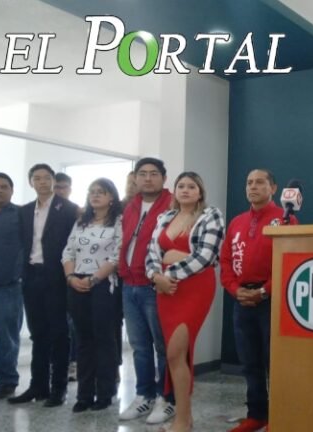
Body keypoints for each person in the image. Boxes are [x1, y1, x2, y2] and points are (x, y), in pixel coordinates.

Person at [146, 171, 225, 432]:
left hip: (195, 288)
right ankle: (184, 418)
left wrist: (169, 270)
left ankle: (181, 420)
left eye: (192, 186)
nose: (186, 190)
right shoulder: (164, 217)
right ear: (175, 190)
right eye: (181, 186)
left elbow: (206, 257)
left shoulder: (211, 215)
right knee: (176, 356)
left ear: (200, 192)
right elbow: (152, 253)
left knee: (174, 352)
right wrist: (156, 277)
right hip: (165, 291)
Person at [222, 169, 296, 432]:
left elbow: (289, 261)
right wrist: (235, 290)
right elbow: (226, 261)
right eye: (249, 182)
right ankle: (256, 415)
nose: (253, 187)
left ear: (273, 188)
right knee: (249, 362)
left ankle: (279, 416)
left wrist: (264, 291)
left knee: (275, 362)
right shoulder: (237, 222)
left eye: (260, 182)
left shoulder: (286, 220)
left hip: (271, 301)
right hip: (241, 301)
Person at [9, 164, 78, 407]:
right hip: (32, 276)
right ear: (31, 182)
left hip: (57, 277)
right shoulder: (25, 210)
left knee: (59, 333)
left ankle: (58, 388)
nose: (42, 182)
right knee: (38, 334)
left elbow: (73, 245)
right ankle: (38, 386)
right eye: (37, 178)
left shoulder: (69, 209)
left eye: (46, 177)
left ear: (53, 180)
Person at [118, 157, 175, 424]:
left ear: (164, 178)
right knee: (139, 346)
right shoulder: (131, 205)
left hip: (156, 285)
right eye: (142, 174)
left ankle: (167, 399)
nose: (148, 178)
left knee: (163, 347)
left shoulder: (173, 204)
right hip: (129, 285)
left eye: (154, 173)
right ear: (135, 178)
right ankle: (144, 396)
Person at [62, 178, 123, 412]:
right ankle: (84, 394)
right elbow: (68, 252)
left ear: (111, 197)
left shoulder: (118, 222)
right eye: (92, 192)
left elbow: (117, 256)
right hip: (76, 283)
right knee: (83, 340)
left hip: (103, 284)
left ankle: (105, 393)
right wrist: (71, 277)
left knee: (104, 339)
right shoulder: (81, 222)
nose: (95, 195)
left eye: (101, 192)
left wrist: (94, 279)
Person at [0, 173, 23, 400]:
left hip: (6, 289)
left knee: (6, 339)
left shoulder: (20, 215)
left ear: (11, 191)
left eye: (4, 187)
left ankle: (7, 381)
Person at [54, 171, 79, 383]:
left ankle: (74, 362)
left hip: (74, 275)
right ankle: (56, 364)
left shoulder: (77, 212)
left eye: (64, 187)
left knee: (74, 323)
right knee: (54, 323)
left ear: (70, 189)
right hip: (49, 276)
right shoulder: (39, 211)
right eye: (57, 187)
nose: (60, 191)